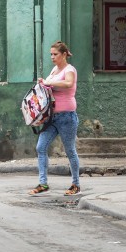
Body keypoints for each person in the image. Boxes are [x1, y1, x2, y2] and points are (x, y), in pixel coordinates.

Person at [29, 42, 82, 196]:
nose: (52, 57)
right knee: (41, 147)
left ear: (64, 54)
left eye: (55, 54)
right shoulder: (54, 70)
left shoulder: (69, 70)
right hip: (51, 117)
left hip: (67, 116)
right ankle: (43, 183)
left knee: (70, 150)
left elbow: (68, 83)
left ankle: (75, 184)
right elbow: (47, 86)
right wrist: (42, 83)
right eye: (51, 54)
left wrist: (49, 82)